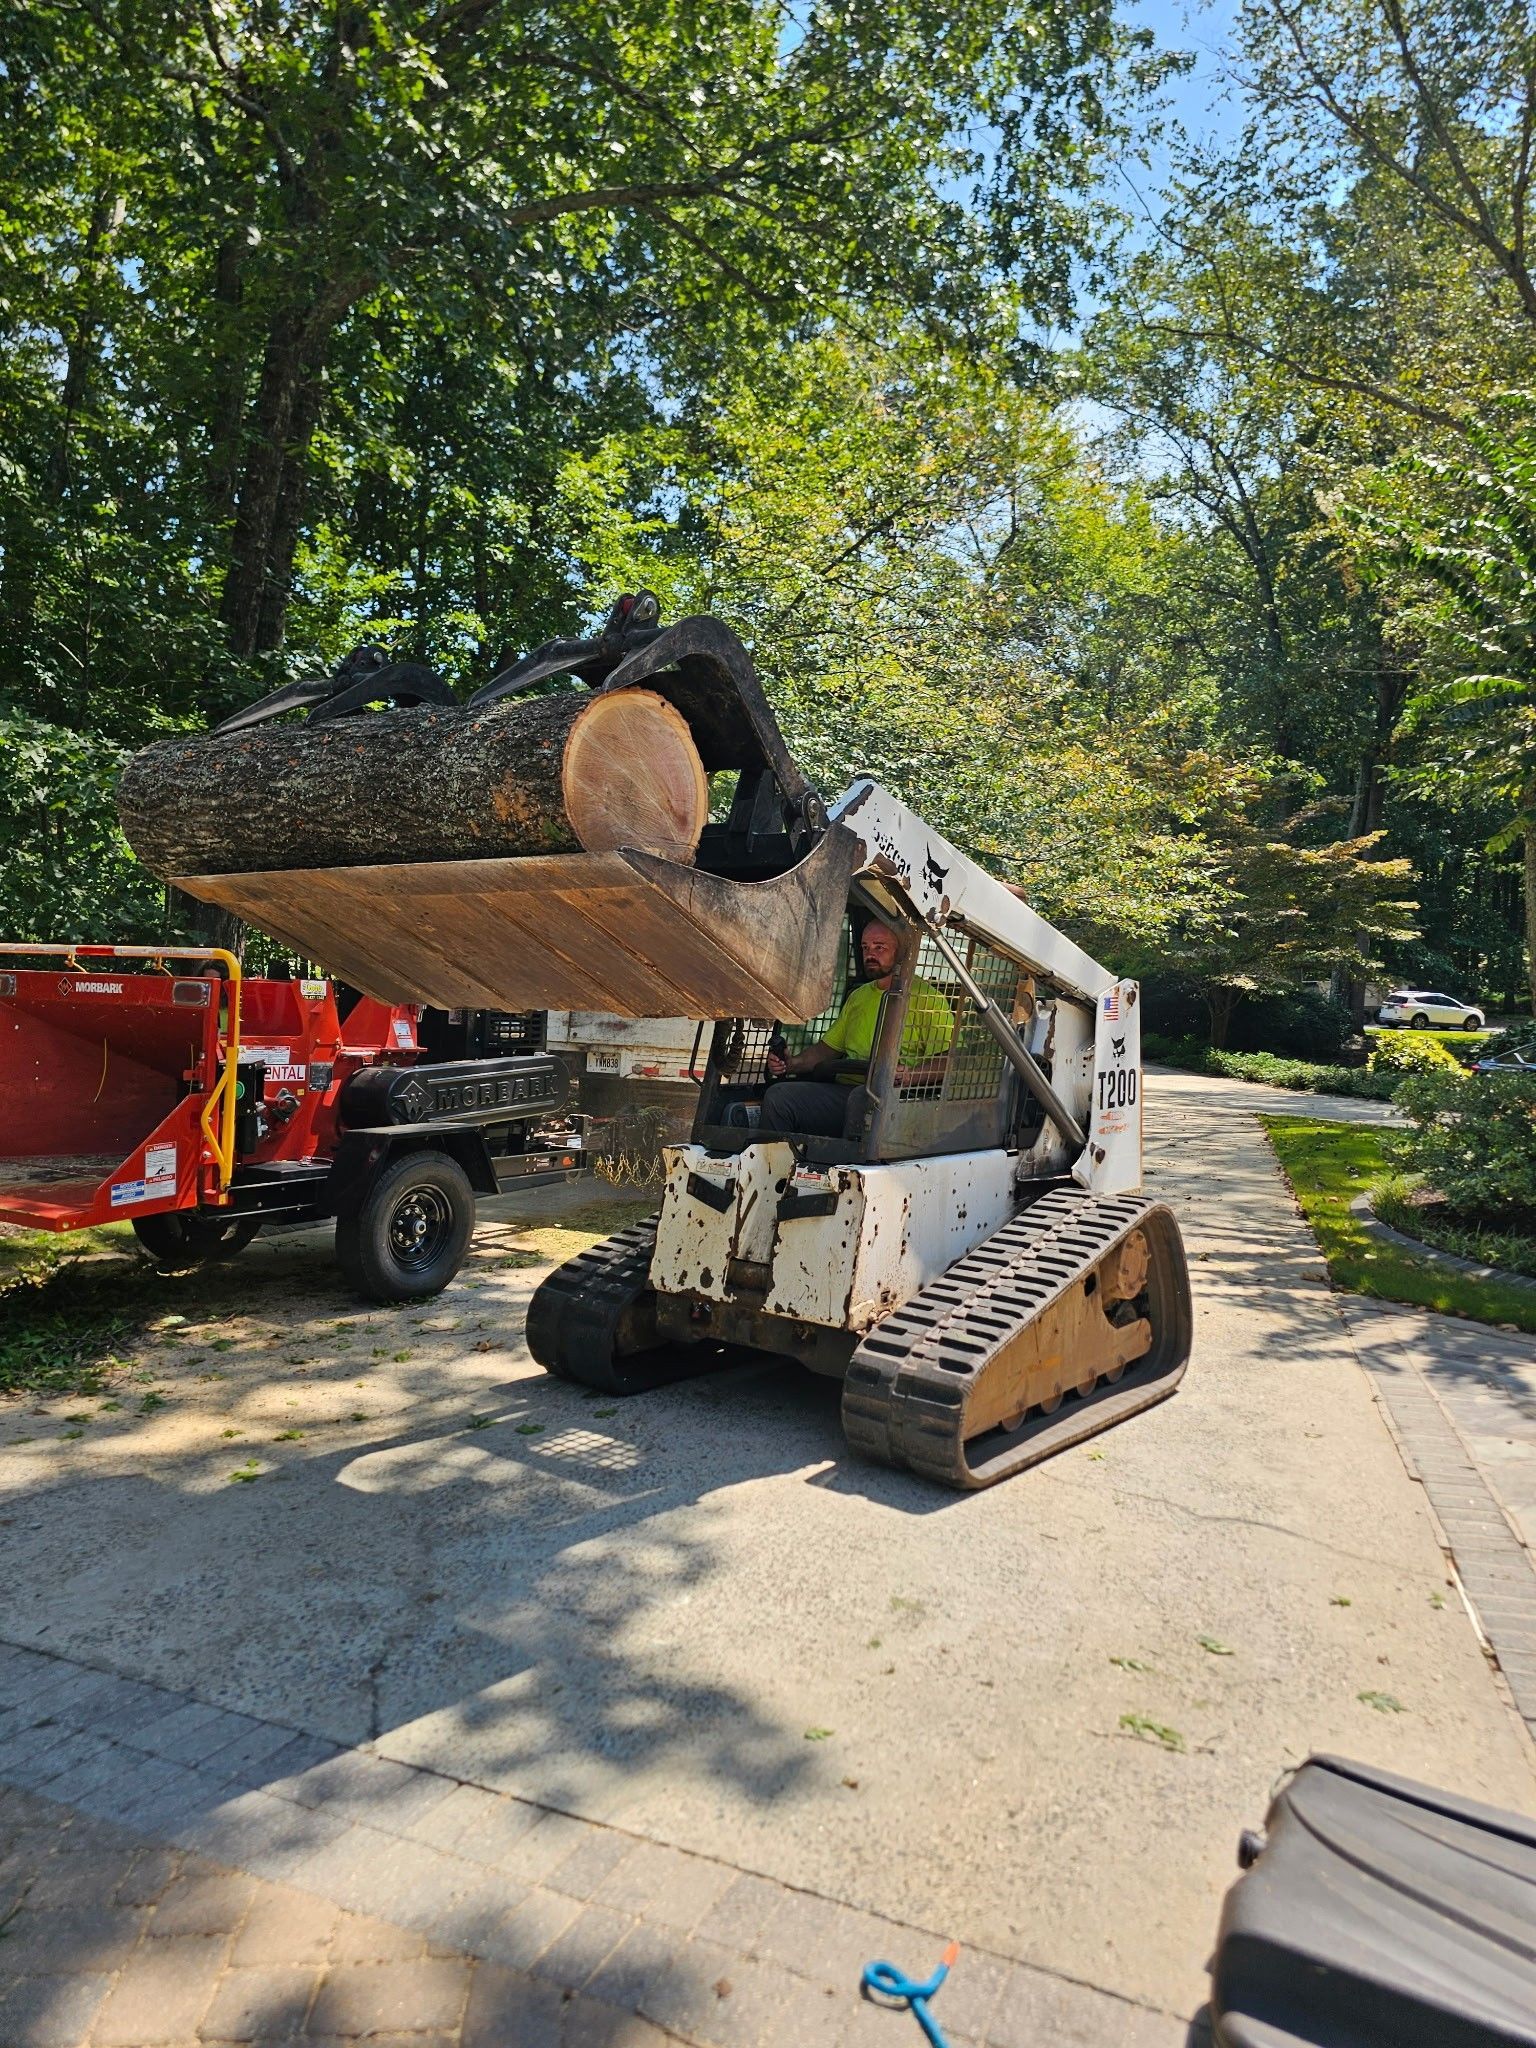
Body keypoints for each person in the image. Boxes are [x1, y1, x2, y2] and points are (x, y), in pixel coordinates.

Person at [759, 919, 953, 1139]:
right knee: (779, 1098)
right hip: (848, 1093)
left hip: (896, 1101)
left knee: (860, 1101)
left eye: (879, 947)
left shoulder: (929, 1000)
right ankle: (773, 1168)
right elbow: (826, 1050)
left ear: (901, 951)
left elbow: (948, 1061)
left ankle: (846, 1169)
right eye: (865, 947)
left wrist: (909, 1076)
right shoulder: (858, 997)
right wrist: (791, 1064)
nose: (870, 954)